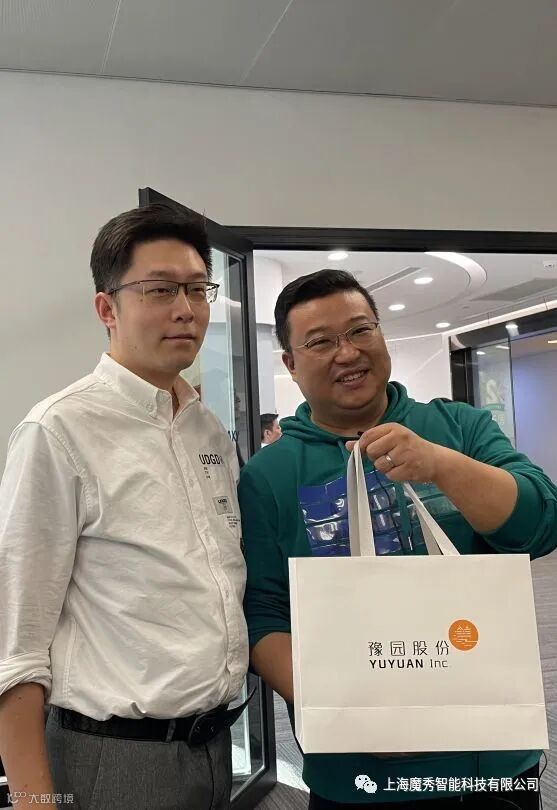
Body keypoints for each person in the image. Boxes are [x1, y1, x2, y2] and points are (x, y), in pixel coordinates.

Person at [238, 269, 557, 809]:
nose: (347, 353)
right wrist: (355, 714)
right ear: (290, 364)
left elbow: (540, 524)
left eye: (360, 330)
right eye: (321, 342)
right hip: (360, 774)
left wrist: (441, 465)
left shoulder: (460, 428)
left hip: (490, 760)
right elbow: (263, 615)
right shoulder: (270, 474)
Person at [0, 204, 249, 810]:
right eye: (159, 289)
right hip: (114, 758)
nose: (185, 308)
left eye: (197, 288)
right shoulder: (59, 430)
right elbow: (16, 644)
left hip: (214, 749)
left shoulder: (209, 431)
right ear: (106, 309)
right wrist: (36, 803)